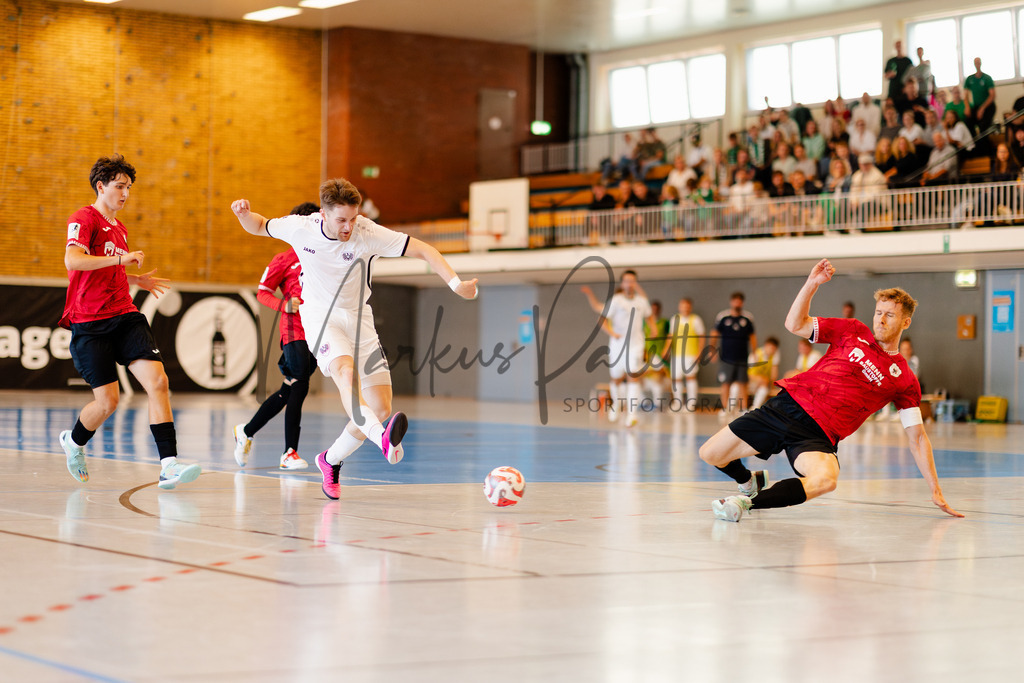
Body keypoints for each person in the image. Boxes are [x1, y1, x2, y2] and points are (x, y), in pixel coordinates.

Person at [231, 178, 479, 500]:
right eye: (341, 220)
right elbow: (259, 225)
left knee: (381, 406)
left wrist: (456, 284)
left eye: (353, 218)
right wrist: (243, 214)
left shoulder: (367, 232)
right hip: (321, 318)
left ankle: (330, 459)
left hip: (360, 320)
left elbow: (424, 250)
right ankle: (382, 440)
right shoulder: (301, 228)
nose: (348, 227)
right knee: (345, 373)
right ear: (323, 214)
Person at [698, 258, 963, 522]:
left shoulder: (904, 379)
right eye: (878, 312)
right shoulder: (852, 330)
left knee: (826, 480)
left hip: (818, 435)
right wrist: (812, 284)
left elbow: (917, 439)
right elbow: (794, 324)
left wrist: (935, 490)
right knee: (709, 454)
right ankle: (748, 481)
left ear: (905, 322)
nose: (881, 320)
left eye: (890, 315)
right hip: (785, 408)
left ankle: (745, 502)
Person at [59, 154, 201, 490]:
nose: (125, 193)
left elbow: (109, 268)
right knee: (108, 402)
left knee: (158, 382)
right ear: (101, 186)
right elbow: (73, 260)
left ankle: (168, 465)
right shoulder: (84, 218)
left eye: (129, 188)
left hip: (124, 315)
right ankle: (74, 442)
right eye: (120, 186)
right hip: (89, 323)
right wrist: (122, 259)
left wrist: (135, 279)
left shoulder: (119, 228)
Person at [232, 201, 322, 471]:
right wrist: (284, 305)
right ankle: (289, 452)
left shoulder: (323, 256)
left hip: (318, 331)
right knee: (300, 385)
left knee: (289, 389)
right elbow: (263, 293)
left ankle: (246, 431)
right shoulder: (283, 260)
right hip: (294, 330)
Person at [581, 271, 655, 427]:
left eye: (632, 281)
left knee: (633, 376)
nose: (629, 284)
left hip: (636, 345)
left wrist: (653, 328)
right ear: (622, 283)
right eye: (626, 281)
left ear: (635, 283)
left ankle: (632, 414)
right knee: (616, 378)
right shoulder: (616, 301)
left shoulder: (642, 301)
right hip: (617, 346)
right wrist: (612, 333)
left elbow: (649, 316)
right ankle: (616, 404)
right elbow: (601, 319)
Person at [711, 292, 757, 416]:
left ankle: (743, 408)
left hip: (742, 357)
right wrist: (712, 350)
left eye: (739, 301)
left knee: (743, 383)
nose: (737, 303)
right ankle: (724, 408)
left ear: (742, 303)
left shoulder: (747, 318)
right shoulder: (723, 316)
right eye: (735, 301)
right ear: (731, 302)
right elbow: (714, 333)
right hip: (726, 357)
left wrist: (754, 352)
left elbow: (752, 336)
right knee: (725, 383)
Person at [665, 297, 706, 412]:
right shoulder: (674, 319)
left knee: (690, 378)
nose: (685, 308)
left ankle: (691, 404)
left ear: (690, 307)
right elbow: (670, 336)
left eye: (687, 306)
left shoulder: (696, 320)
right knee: (676, 379)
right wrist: (666, 350)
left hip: (691, 354)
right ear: (679, 307)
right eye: (683, 306)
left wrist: (699, 352)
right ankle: (677, 403)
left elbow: (702, 336)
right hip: (677, 355)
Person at [964, 57, 996, 135]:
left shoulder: (987, 78)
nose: (977, 64)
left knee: (983, 127)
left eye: (978, 62)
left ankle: (984, 141)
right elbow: (965, 95)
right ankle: (974, 140)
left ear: (981, 63)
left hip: (988, 107)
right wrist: (967, 107)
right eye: (976, 62)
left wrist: (982, 108)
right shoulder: (970, 79)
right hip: (976, 106)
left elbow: (992, 95)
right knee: (968, 122)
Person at [748, 336, 780, 410]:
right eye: (771, 348)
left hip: (765, 383)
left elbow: (774, 375)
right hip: (752, 382)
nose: (772, 351)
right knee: (735, 388)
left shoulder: (774, 356)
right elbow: (748, 375)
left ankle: (755, 408)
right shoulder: (756, 355)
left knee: (763, 390)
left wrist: (772, 385)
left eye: (774, 349)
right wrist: (760, 379)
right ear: (766, 345)